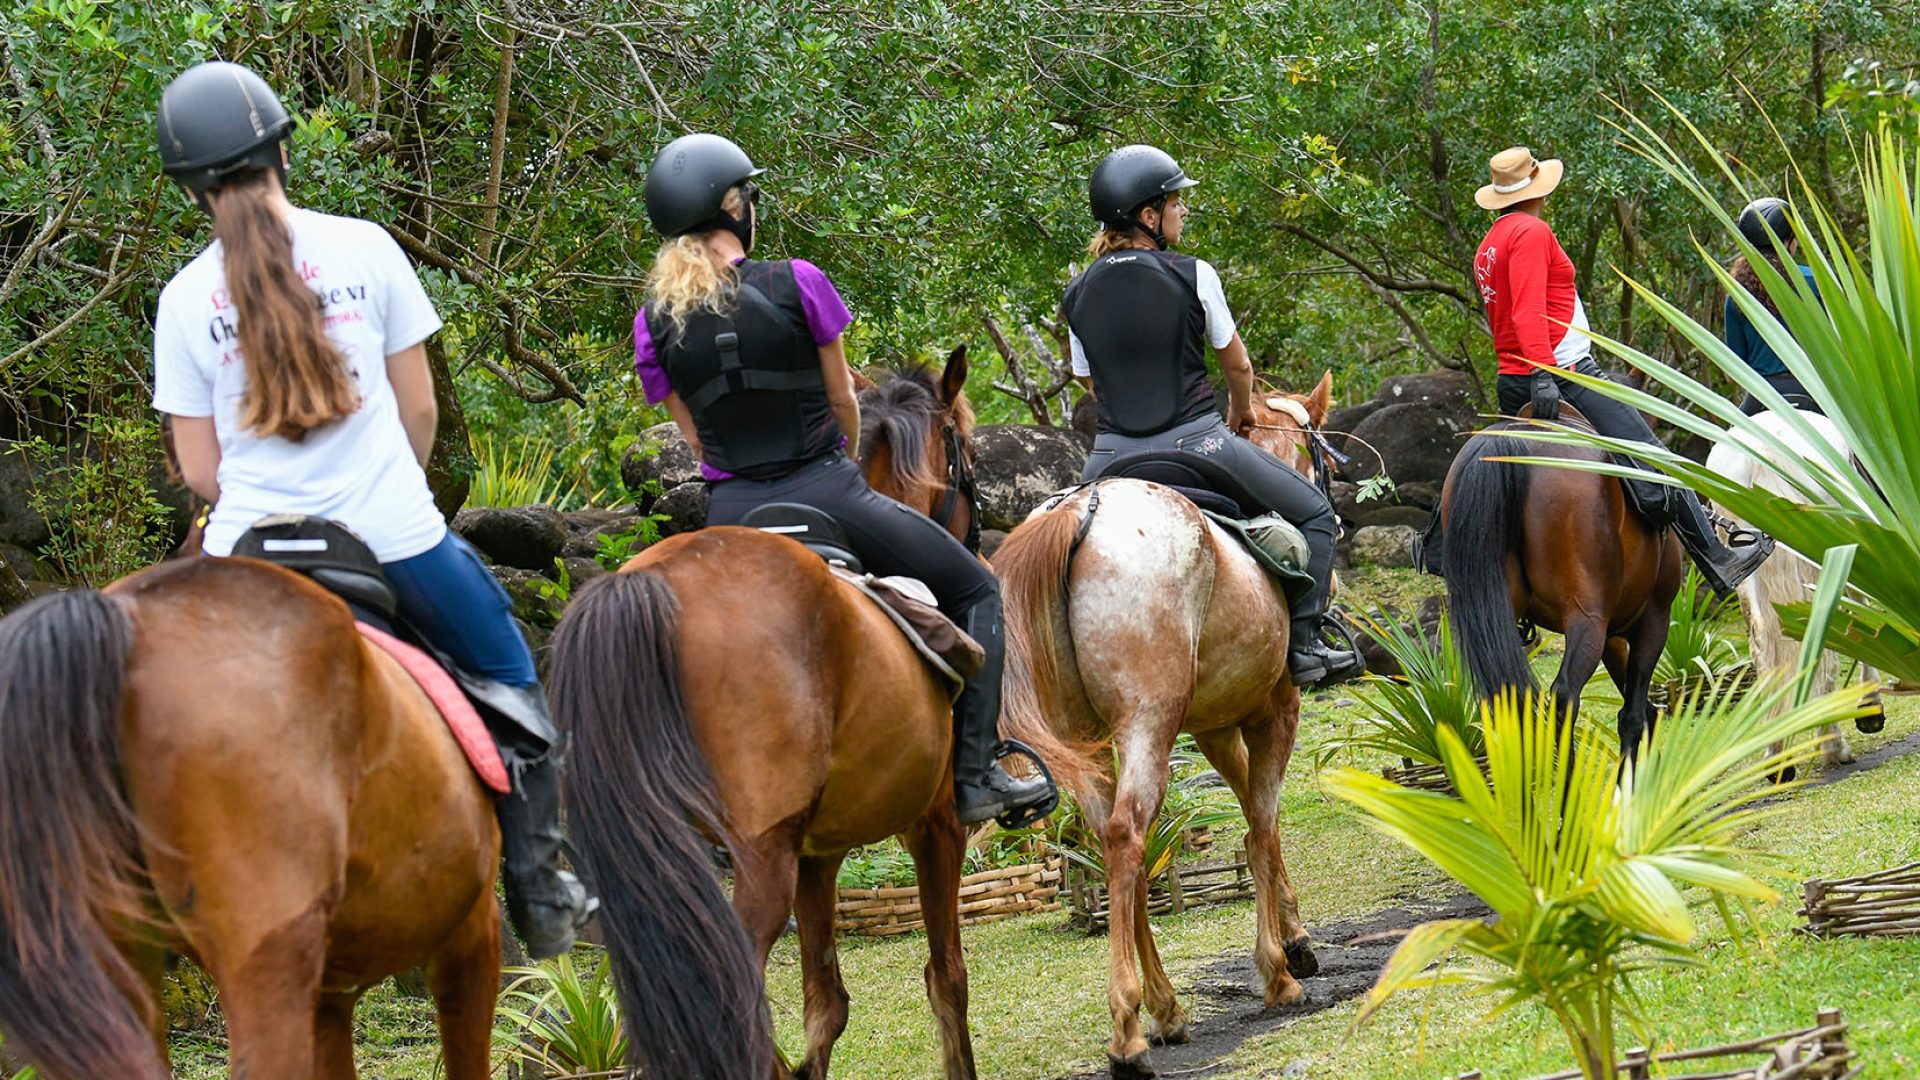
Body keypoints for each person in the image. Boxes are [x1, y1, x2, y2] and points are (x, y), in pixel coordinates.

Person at [150, 61, 595, 958]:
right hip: (388, 536)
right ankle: (542, 889)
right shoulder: (364, 248)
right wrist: (391, 489)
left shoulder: (182, 299)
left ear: (191, 186)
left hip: (249, 558)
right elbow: (420, 409)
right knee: (509, 674)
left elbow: (199, 467)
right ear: (281, 148)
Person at [632, 133, 1055, 827]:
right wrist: (835, 457)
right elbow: (841, 403)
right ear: (735, 207)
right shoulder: (800, 281)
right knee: (979, 588)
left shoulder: (654, 324)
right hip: (828, 489)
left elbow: (691, 436)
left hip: (731, 509)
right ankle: (977, 776)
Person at [1061, 145, 1364, 688]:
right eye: (1175, 203)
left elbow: (1089, 381)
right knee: (1316, 512)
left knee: (1060, 544)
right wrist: (1240, 412)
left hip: (1110, 456)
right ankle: (1305, 645)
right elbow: (1239, 364)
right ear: (1148, 216)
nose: (1182, 212)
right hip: (1197, 443)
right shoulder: (1193, 274)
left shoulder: (1077, 293)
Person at [1473, 145, 1773, 595]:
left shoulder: (1490, 244)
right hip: (1563, 374)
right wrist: (1543, 373)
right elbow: (1528, 314)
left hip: (1510, 380)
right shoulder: (1532, 232)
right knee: (1652, 455)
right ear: (1536, 189)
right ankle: (1718, 557)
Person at [1726, 196, 1821, 414]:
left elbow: (1736, 365)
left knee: (1730, 442)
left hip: (1763, 394)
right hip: (1815, 391)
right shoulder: (1815, 283)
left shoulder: (1738, 293)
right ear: (1788, 241)